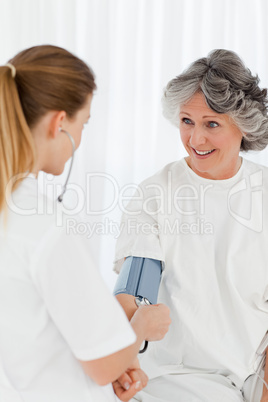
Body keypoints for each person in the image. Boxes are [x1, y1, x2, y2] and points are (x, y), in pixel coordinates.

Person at [0, 45, 171, 402]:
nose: (80, 137)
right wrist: (138, 330)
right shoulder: (47, 225)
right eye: (84, 123)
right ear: (60, 123)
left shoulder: (14, 212)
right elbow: (105, 364)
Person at [114, 49, 268, 402]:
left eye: (211, 124)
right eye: (187, 121)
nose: (195, 140)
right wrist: (120, 366)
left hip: (247, 376)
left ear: (243, 125)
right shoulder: (157, 192)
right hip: (168, 377)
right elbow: (133, 295)